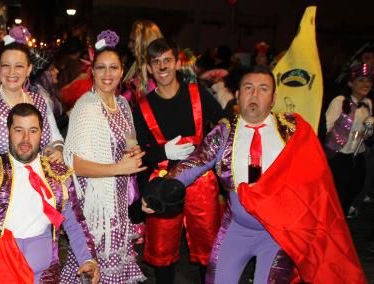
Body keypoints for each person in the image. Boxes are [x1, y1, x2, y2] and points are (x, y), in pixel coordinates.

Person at [143, 65, 366, 283]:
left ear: (274, 98)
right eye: (248, 88)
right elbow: (195, 162)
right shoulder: (225, 131)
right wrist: (162, 188)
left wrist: (343, 126)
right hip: (236, 229)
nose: (255, 95)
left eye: (263, 89)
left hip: (278, 234)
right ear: (238, 95)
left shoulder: (292, 130)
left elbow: (318, 165)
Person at [0, 103, 99, 283]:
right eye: (18, 130)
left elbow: (74, 222)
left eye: (33, 131)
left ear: (41, 133)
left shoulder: (57, 173)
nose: (25, 138)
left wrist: (88, 259)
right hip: (0, 273)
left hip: (45, 276)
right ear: (8, 132)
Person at [131, 38, 228, 283]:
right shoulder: (142, 107)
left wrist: (215, 153)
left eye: (167, 60)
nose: (162, 67)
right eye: (156, 62)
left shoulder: (197, 93)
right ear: (150, 69)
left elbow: (223, 122)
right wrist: (164, 153)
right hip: (163, 182)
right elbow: (141, 152)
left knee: (208, 245)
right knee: (162, 250)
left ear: (176, 63)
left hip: (201, 180)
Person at [61, 30, 146, 283]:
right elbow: (72, 164)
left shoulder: (122, 105)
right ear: (93, 72)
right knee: (97, 267)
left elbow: (129, 142)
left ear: (122, 72)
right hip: (95, 206)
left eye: (113, 68)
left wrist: (134, 153)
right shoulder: (85, 107)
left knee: (113, 269)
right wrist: (119, 168)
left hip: (118, 202)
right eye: (101, 68)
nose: (107, 74)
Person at [0, 25, 64, 162]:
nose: (11, 72)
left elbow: (56, 139)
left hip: (37, 178)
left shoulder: (40, 101)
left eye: (19, 66)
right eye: (6, 66)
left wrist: (57, 150)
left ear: (29, 70)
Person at [324, 63, 373, 215]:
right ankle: (336, 224)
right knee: (340, 193)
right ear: (351, 83)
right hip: (339, 154)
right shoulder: (340, 101)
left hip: (357, 153)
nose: (366, 84)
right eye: (361, 80)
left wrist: (369, 131)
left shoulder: (369, 103)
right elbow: (326, 127)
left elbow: (367, 131)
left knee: (356, 187)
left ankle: (342, 218)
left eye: (369, 80)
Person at [122, 19, 163, 103]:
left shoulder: (158, 75)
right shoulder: (137, 70)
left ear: (145, 43)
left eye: (133, 41)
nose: (129, 45)